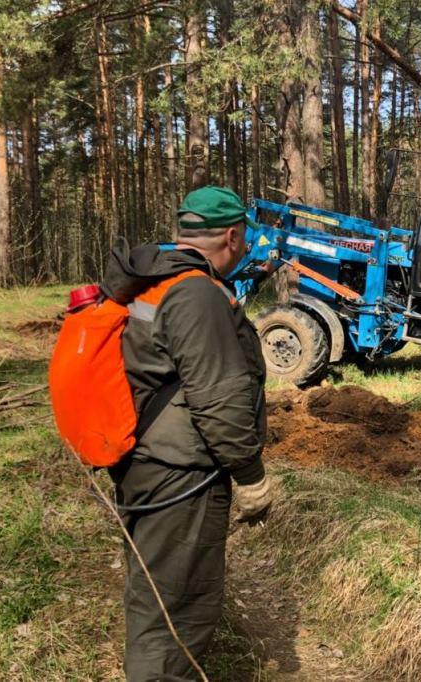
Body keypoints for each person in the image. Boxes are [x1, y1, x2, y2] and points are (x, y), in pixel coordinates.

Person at [101, 185, 275, 681]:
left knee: (154, 593)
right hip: (181, 477)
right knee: (178, 612)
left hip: (147, 461)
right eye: (243, 239)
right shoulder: (196, 292)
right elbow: (217, 396)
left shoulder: (155, 277)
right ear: (233, 236)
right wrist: (252, 475)